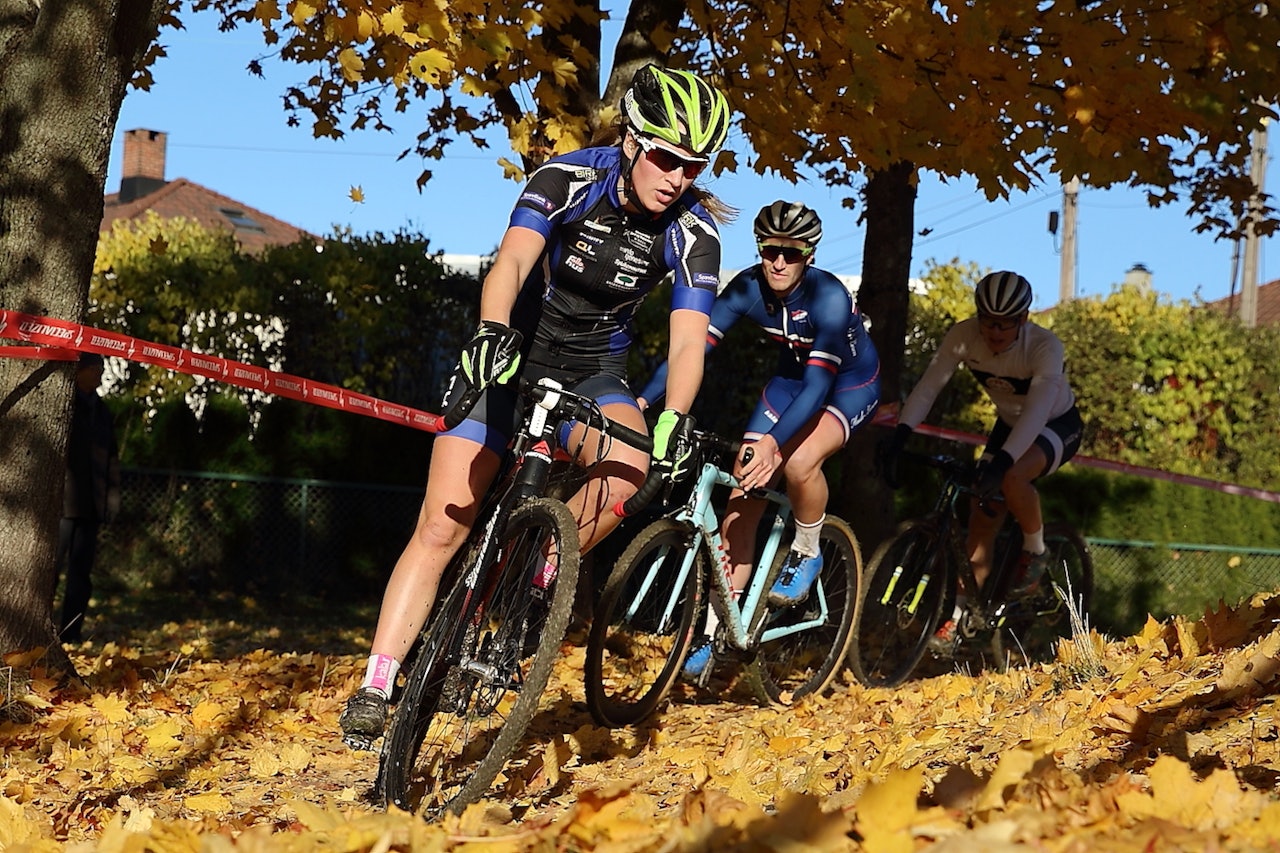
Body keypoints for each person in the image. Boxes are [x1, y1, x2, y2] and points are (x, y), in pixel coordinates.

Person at [339, 64, 734, 745]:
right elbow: (511, 265)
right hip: (517, 350)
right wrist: (491, 334)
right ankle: (378, 682)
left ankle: (544, 563)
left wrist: (672, 416)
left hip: (596, 368)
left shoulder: (694, 232)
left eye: (694, 166)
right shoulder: (567, 179)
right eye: (667, 158)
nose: (677, 177)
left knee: (632, 464)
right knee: (441, 525)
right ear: (634, 143)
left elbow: (690, 344)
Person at [637, 200, 881, 678]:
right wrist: (644, 402)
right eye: (770, 250)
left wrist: (775, 444)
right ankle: (711, 631)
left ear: (809, 254)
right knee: (739, 500)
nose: (778, 262)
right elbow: (691, 352)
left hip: (848, 385)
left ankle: (808, 549)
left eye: (791, 253)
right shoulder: (747, 287)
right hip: (790, 382)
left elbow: (818, 388)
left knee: (798, 463)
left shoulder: (828, 297)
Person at [881, 270, 1083, 651]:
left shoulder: (1044, 347)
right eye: (987, 322)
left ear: (1023, 319)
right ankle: (959, 617)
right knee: (980, 517)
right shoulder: (963, 335)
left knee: (1013, 478)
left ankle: (1037, 551)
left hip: (1054, 423)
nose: (993, 333)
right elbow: (929, 386)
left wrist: (1003, 463)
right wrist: (901, 433)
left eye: (1004, 325)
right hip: (1009, 425)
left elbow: (1037, 412)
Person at [56, 352, 121, 643]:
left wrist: (111, 501)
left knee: (81, 577)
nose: (100, 373)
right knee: (51, 571)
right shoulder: (63, 406)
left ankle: (71, 634)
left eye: (101, 368)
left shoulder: (103, 413)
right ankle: (40, 632)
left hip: (91, 507)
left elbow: (112, 460)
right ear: (79, 370)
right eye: (95, 368)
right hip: (63, 507)